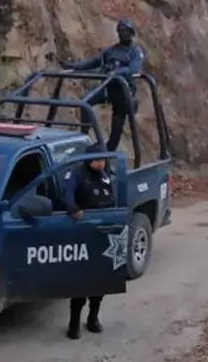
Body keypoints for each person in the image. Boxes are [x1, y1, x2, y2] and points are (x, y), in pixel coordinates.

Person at [60, 18, 145, 152]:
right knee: (85, 101)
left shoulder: (135, 52)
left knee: (117, 126)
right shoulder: (111, 50)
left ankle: (110, 151)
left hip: (123, 90)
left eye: (126, 31)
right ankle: (84, 136)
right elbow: (94, 62)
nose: (123, 34)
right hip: (107, 87)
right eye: (121, 31)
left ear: (131, 32)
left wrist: (117, 71)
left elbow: (132, 69)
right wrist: (74, 66)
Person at [61, 142, 116, 340]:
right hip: (82, 233)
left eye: (103, 160)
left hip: (103, 233)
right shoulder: (77, 174)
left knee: (100, 281)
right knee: (81, 282)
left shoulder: (105, 175)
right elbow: (67, 194)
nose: (101, 163)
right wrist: (74, 209)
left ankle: (93, 318)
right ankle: (74, 323)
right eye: (97, 160)